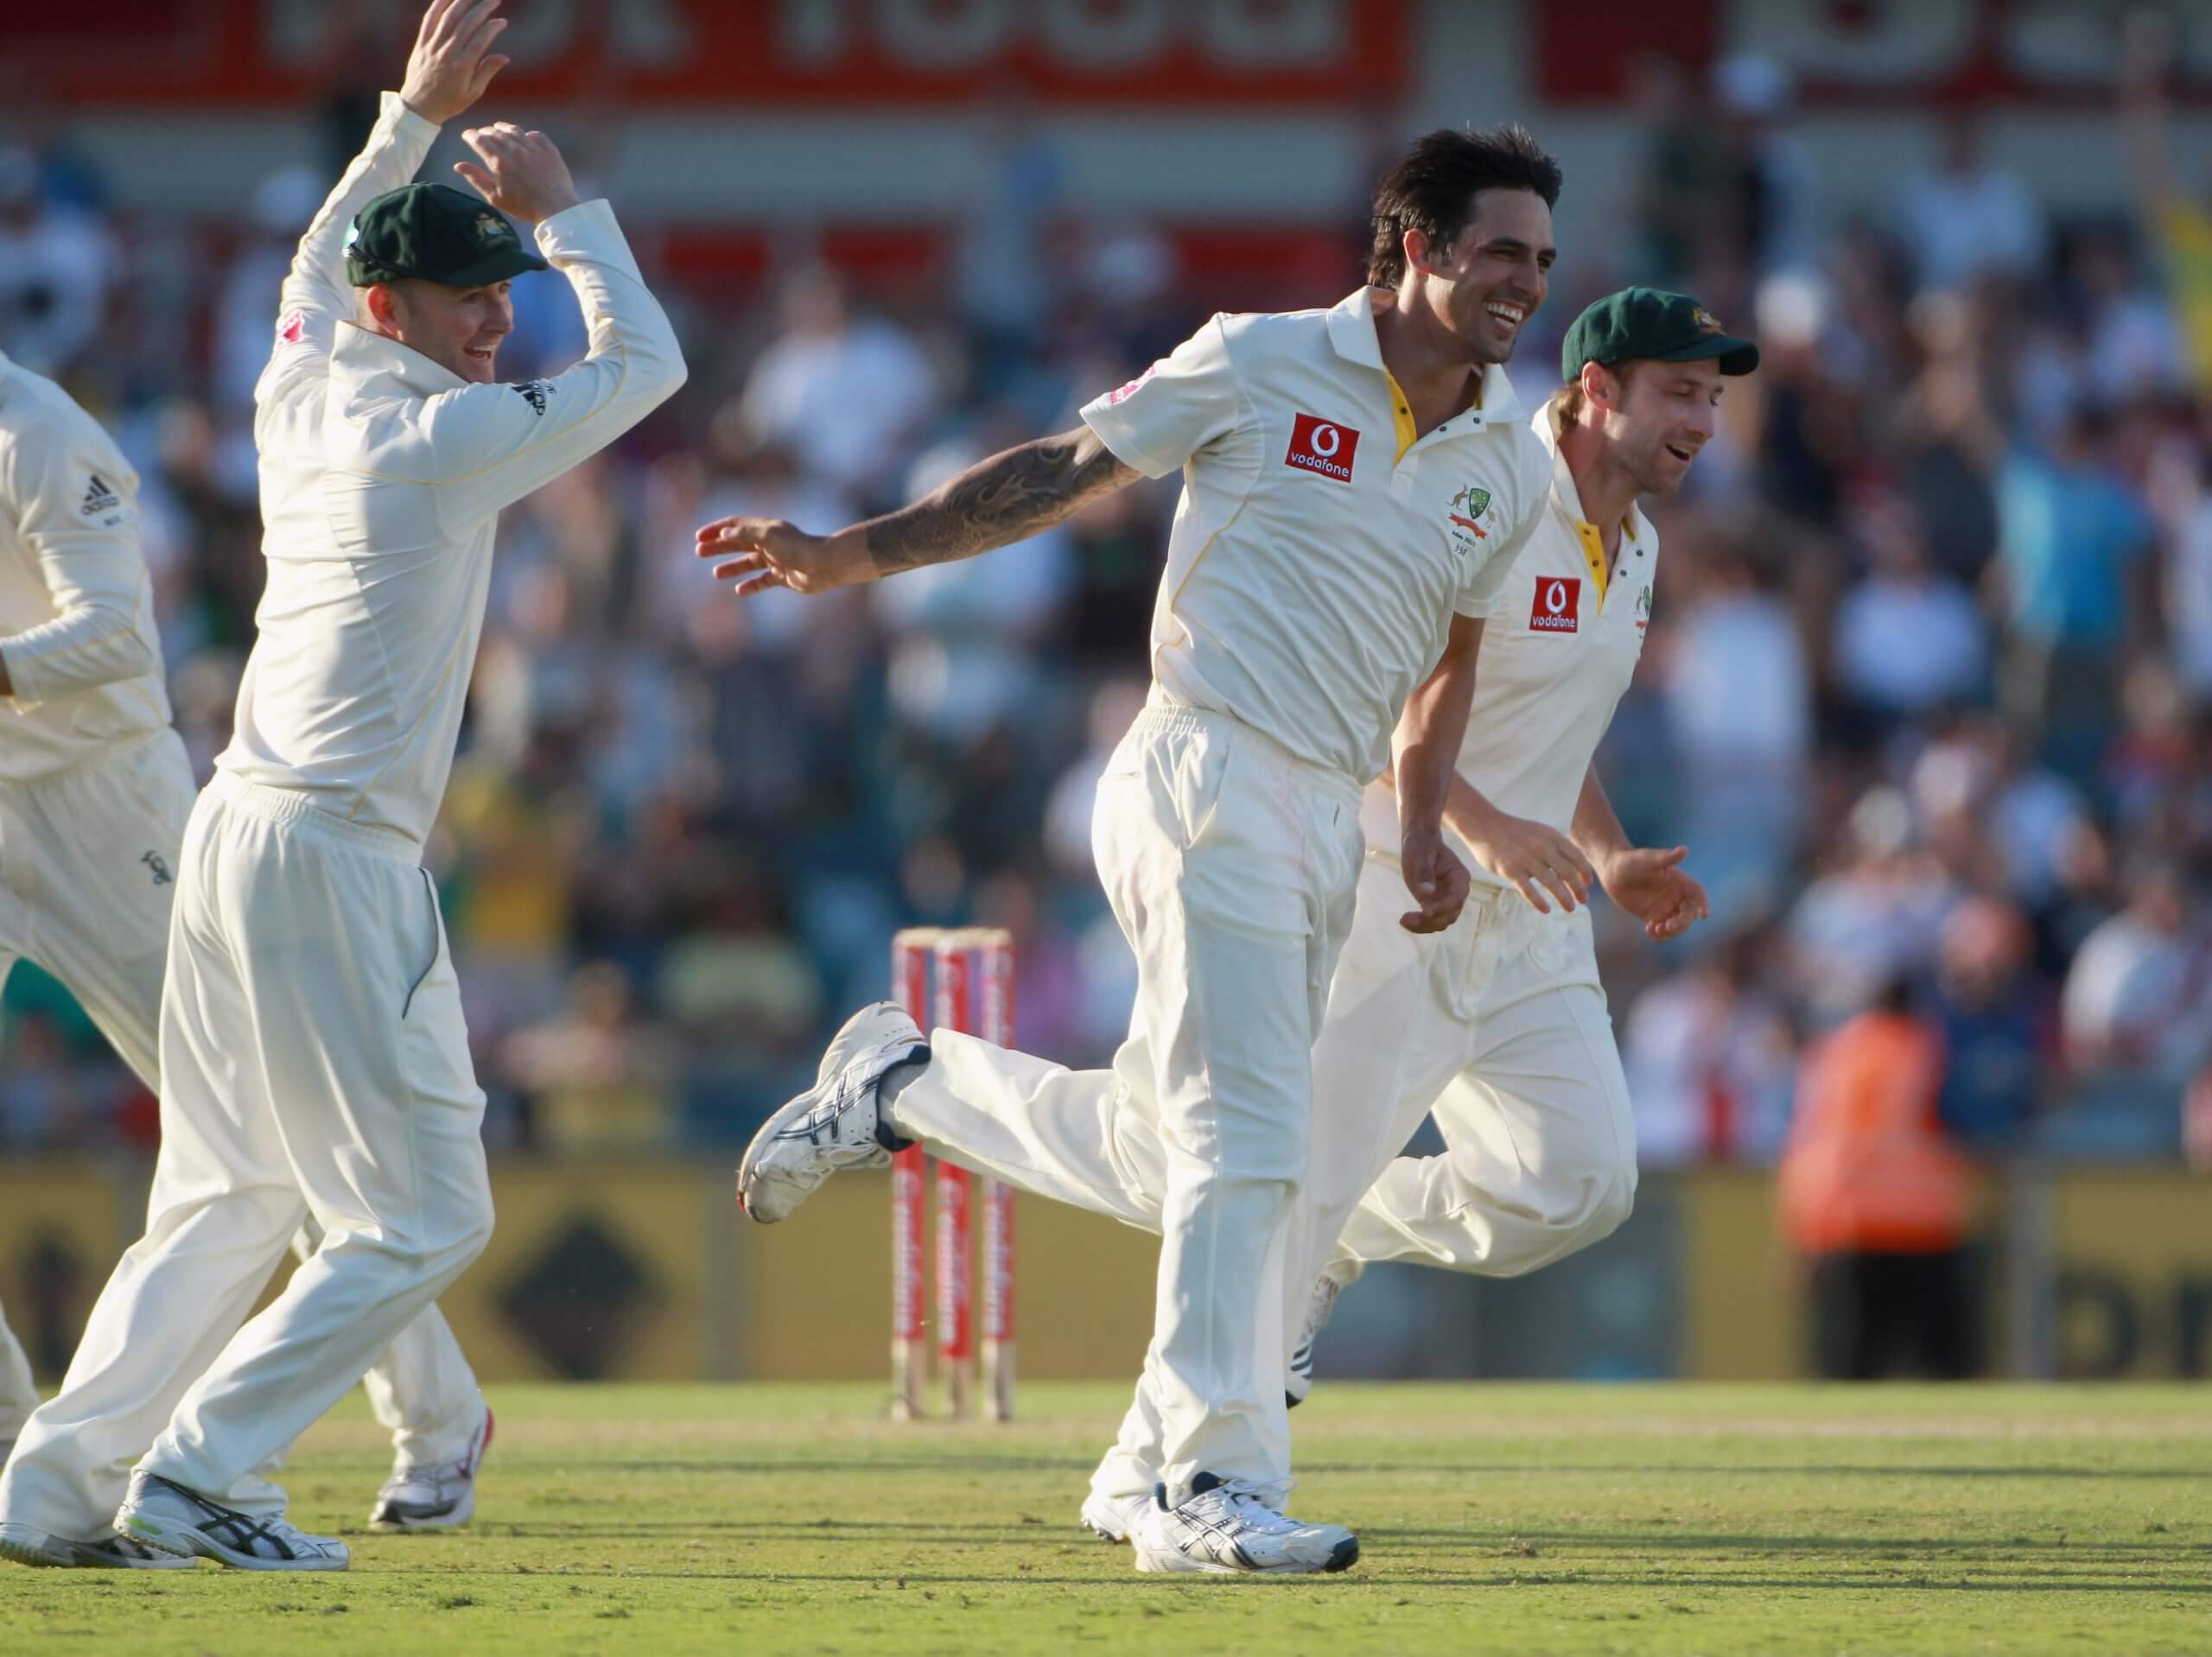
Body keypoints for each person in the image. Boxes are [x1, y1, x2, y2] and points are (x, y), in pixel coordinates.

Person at [706, 126, 1564, 1575]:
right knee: (1253, 1144)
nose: (1525, 284)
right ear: (1417, 246)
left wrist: (1420, 824)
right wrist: (851, 557)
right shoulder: (1261, 356)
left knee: (1186, 1149)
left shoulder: (1504, 456)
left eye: (1541, 260)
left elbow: (1447, 662)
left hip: (1328, 811)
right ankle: (1207, 1479)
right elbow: (1064, 467)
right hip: (1203, 761)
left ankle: (914, 1080)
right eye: (1500, 252)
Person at [0, 0, 684, 1573]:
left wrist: (411, 116)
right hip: (331, 857)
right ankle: (206, 1470)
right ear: (401, 305)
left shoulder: (301, 381)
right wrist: (570, 212)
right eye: (470, 299)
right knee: (430, 1219)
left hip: (242, 826)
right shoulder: (434, 436)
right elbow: (649, 366)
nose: (499, 324)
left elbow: (312, 263)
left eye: (504, 297)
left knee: (230, 1195)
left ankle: (54, 1487)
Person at [1080, 292, 1756, 1538]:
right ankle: (1147, 1477)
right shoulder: (1497, 490)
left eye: (1715, 397)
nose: (1705, 421)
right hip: (1413, 887)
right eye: (1681, 391)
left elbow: (1559, 737)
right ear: (1598, 388)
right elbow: (1378, 695)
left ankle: (1341, 1226)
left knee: (1580, 1177)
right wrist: (1473, 824)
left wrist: (1604, 855)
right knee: (1281, 1195)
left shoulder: (1640, 543)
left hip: (1538, 921)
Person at [0, 348, 492, 1564]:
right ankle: (26, 1446)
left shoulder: (40, 434)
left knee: (275, 1136)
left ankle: (437, 1420)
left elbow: (116, 633)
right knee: (258, 1158)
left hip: (96, 808)